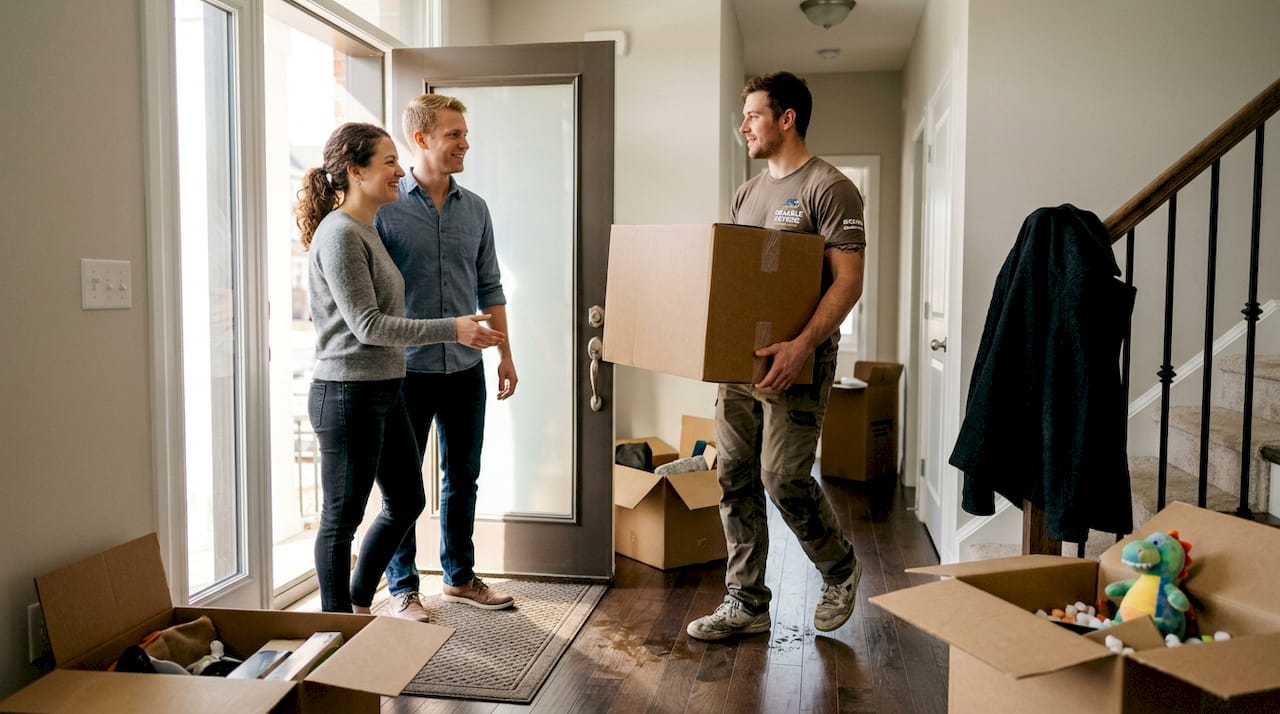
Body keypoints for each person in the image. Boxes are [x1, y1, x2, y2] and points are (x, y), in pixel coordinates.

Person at [686, 72, 867, 641]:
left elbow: (849, 282)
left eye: (753, 116)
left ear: (787, 118)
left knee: (783, 476)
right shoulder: (748, 192)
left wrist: (801, 346)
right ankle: (747, 601)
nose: (742, 126)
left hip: (798, 362)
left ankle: (839, 569)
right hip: (740, 363)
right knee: (734, 477)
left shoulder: (829, 188)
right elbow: (740, 280)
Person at [296, 122, 505, 614]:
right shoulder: (341, 234)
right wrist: (451, 328)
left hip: (383, 389)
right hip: (347, 393)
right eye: (388, 162)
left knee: (407, 500)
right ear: (354, 171)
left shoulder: (365, 229)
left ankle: (356, 603)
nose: (398, 171)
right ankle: (337, 628)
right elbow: (368, 325)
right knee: (339, 520)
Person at [375, 94, 519, 620]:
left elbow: (491, 287)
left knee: (463, 476)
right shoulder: (385, 208)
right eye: (454, 134)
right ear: (422, 139)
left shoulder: (476, 209)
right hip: (403, 370)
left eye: (464, 133)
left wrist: (506, 355)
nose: (465, 143)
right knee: (403, 487)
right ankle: (403, 588)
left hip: (465, 370)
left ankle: (459, 577)